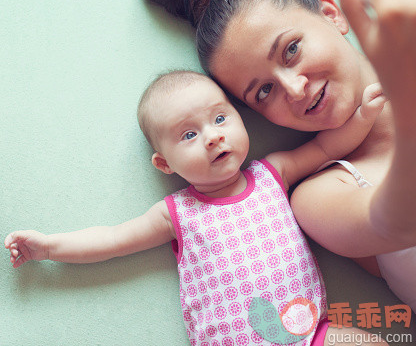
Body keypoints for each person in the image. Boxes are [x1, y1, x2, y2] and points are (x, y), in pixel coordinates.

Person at [137, 0, 416, 311]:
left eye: (291, 50)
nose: (295, 89)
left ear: (332, 15)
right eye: (264, 91)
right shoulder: (318, 198)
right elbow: (398, 222)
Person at [5, 70, 387, 346]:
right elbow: (112, 240)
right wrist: (48, 247)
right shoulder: (177, 213)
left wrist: (363, 117)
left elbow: (324, 148)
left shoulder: (274, 173)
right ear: (164, 164)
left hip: (310, 334)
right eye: (189, 134)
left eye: (220, 118)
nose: (213, 136)